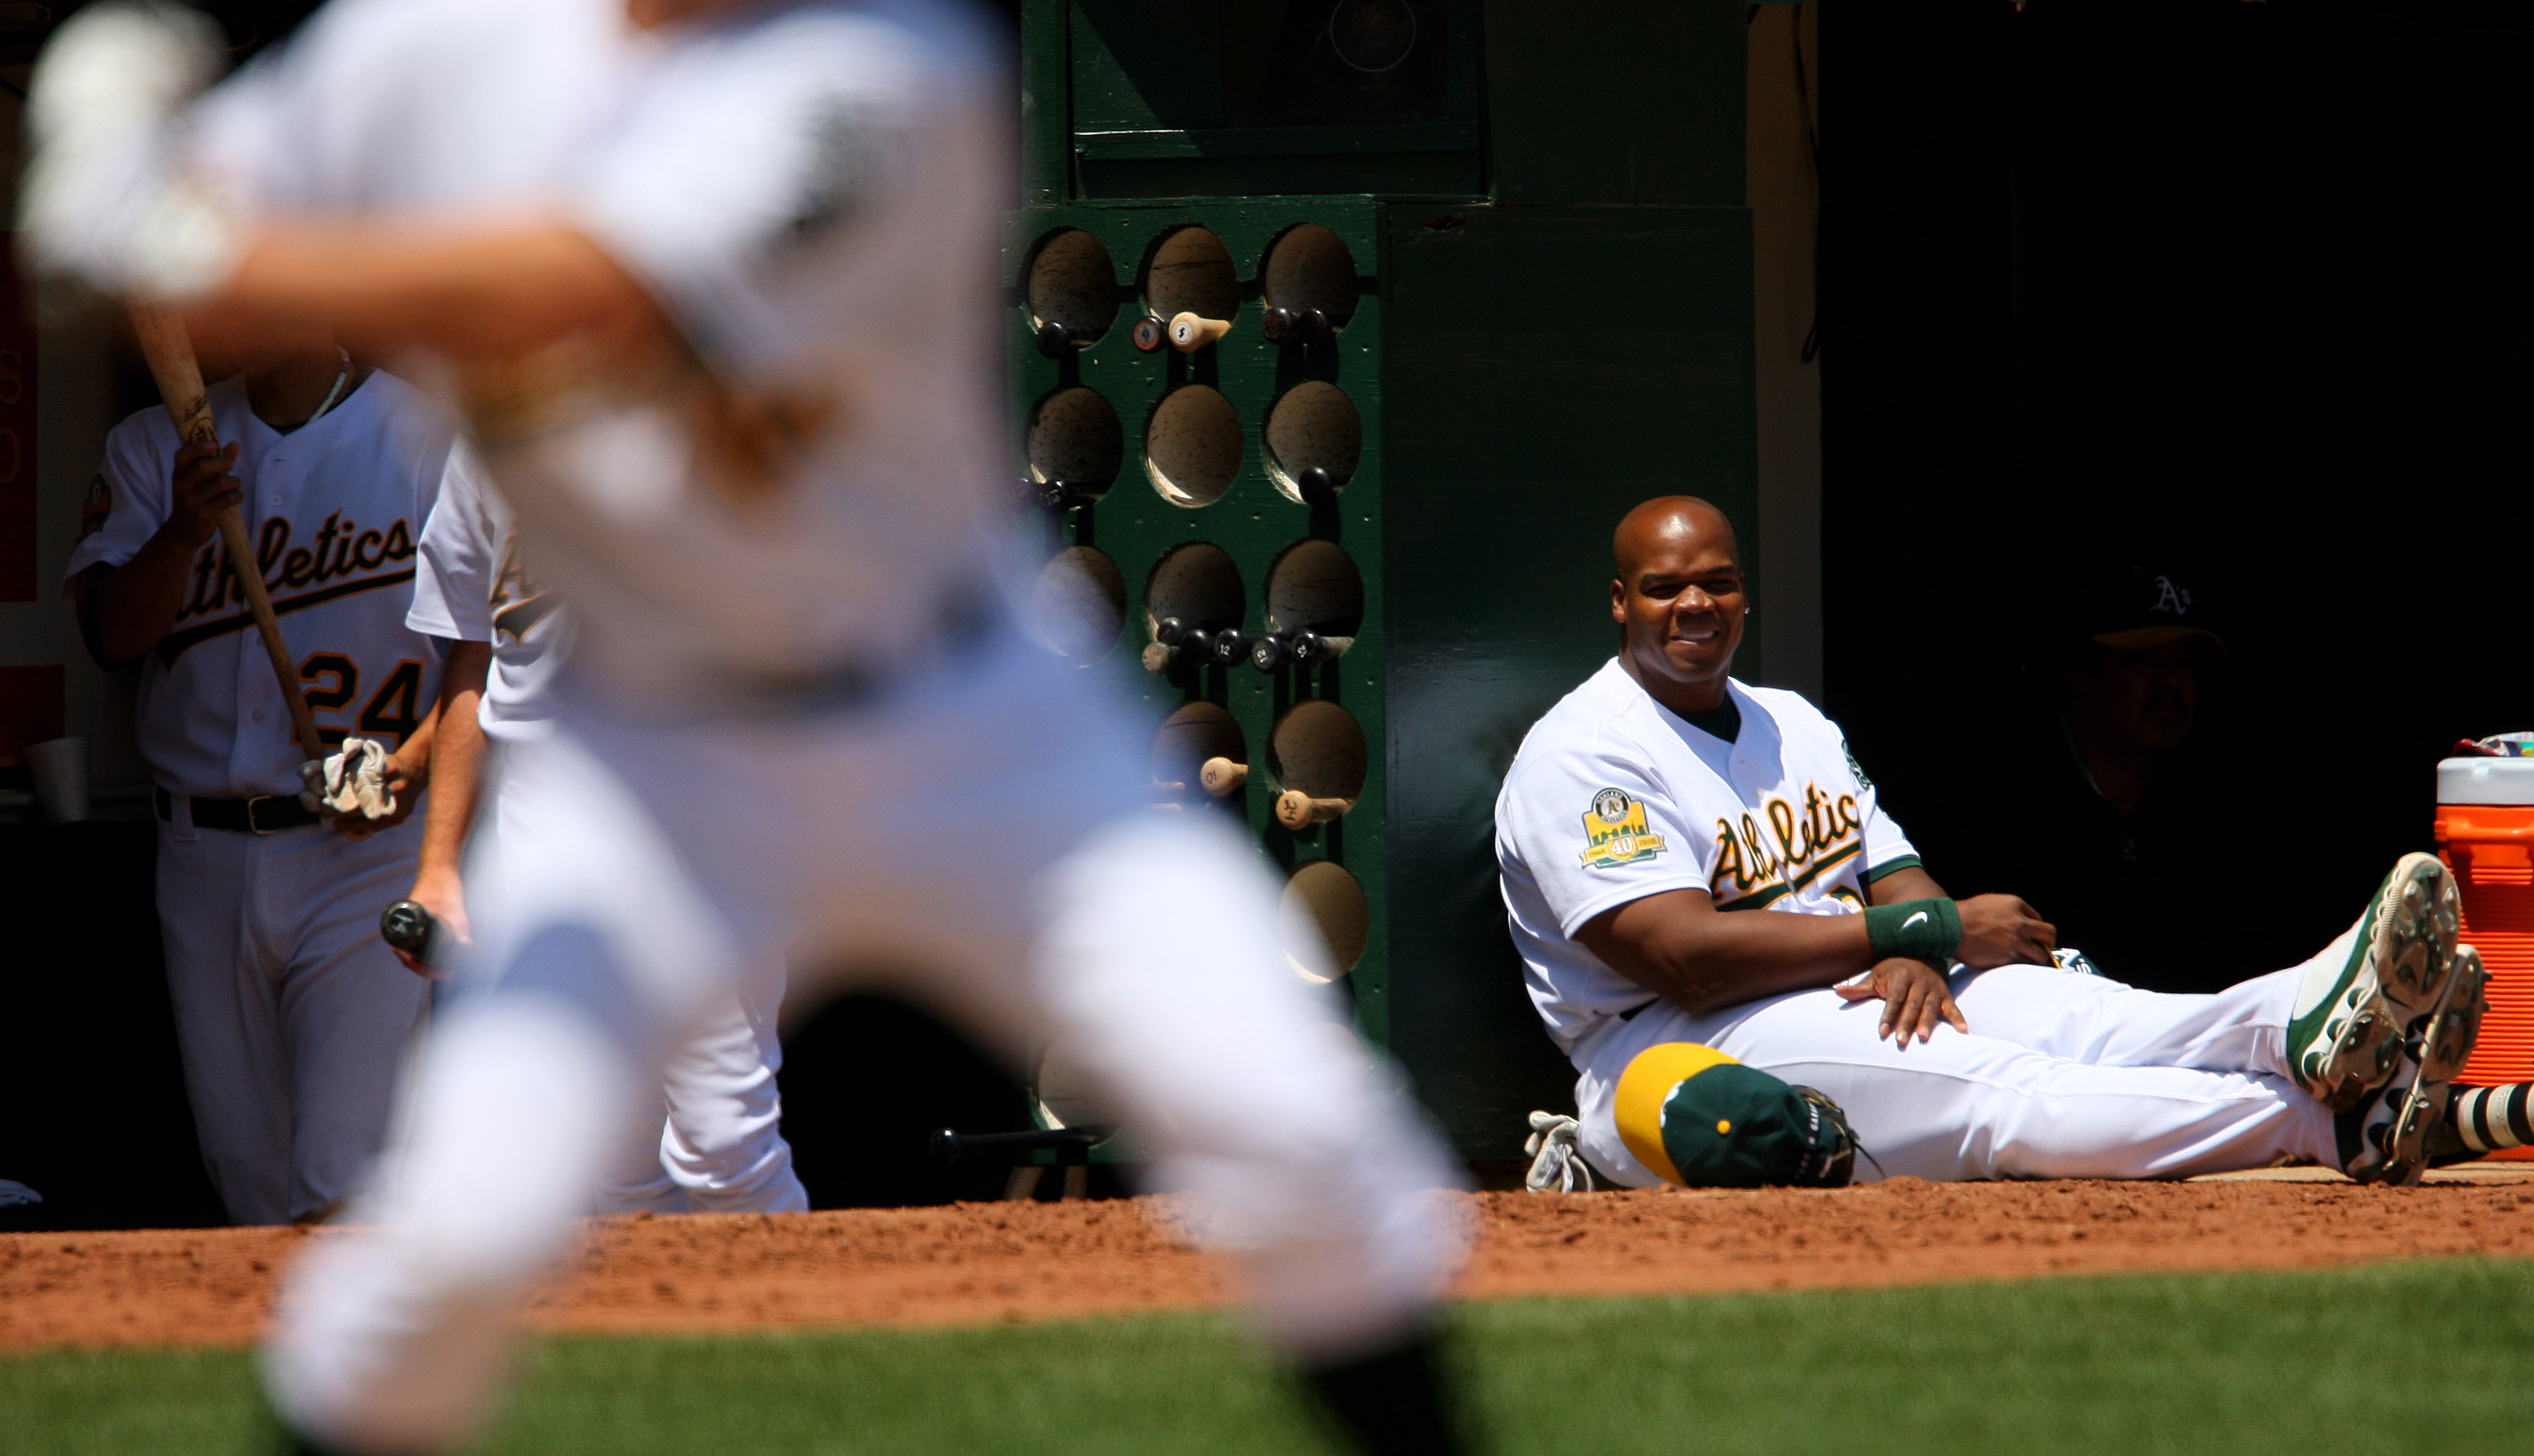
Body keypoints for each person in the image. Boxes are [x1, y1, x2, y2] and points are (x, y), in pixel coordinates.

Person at [18, 4, 1470, 1455]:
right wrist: (135, 225)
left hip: (968, 710)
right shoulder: (423, 43)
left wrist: (152, 227)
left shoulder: (890, 67)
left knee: (1296, 1130)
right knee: (459, 1235)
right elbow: (222, 298)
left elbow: (586, 291)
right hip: (645, 756)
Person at [1495, 496, 2494, 1193]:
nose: (1695, 607)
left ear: (1746, 593)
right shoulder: (1585, 751)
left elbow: (1889, 869)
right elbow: (1685, 958)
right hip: (1680, 1040)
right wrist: (1921, 929)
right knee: (2007, 1100)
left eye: (1716, 583)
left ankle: (2303, 1018)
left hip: (1852, 972)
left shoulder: (1787, 718)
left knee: (2094, 1013)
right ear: (1622, 602)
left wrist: (1916, 940)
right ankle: (2330, 1121)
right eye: (1666, 588)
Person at [61, 330, 447, 1226]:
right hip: (201, 852)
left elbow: (494, 652)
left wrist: (410, 767)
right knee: (252, 1181)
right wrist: (183, 533)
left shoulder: (427, 433)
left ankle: (361, 1360)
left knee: (339, 1166)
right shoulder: (154, 443)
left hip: (365, 850)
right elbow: (111, 638)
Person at [402, 441, 807, 1214]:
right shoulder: (484, 434)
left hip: (698, 787)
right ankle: (663, 1330)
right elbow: (468, 661)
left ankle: (807, 1323)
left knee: (722, 1138)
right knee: (606, 1158)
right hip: (540, 804)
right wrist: (439, 865)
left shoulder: (691, 401)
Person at [1933, 567, 2279, 994]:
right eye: (2146, 659)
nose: (2171, 681)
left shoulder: (2217, 809)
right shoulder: (1996, 804)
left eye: (2185, 663)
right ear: (2080, 672)